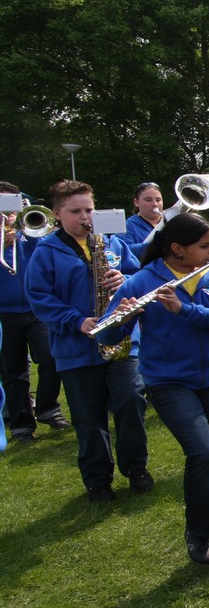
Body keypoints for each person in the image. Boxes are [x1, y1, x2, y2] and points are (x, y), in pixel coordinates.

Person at [96, 213, 209, 563]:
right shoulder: (142, 281)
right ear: (177, 249)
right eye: (204, 246)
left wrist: (185, 310)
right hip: (168, 382)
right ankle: (197, 535)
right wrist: (124, 318)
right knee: (203, 454)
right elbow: (105, 334)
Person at [26, 180, 151, 502]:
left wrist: (125, 279)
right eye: (75, 211)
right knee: (88, 417)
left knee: (131, 401)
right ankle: (98, 480)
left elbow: (139, 276)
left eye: (89, 210)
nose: (85, 217)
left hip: (121, 339)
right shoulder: (46, 251)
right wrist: (76, 321)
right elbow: (39, 297)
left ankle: (136, 467)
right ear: (57, 214)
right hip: (76, 346)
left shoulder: (111, 242)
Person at [1, 181, 68, 441]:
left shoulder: (30, 229)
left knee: (52, 359)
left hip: (36, 308)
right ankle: (21, 424)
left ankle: (48, 409)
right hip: (4, 313)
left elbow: (47, 250)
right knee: (13, 371)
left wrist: (24, 231)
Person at [121, 181, 166, 259]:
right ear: (136, 202)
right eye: (148, 200)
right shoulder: (126, 226)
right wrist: (153, 245)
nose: (155, 204)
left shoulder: (170, 223)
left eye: (158, 200)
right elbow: (123, 250)